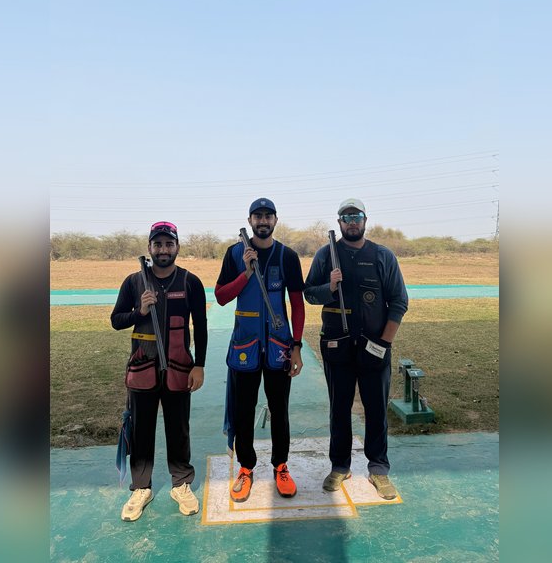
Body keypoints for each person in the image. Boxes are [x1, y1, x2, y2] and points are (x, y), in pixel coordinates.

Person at [304, 198, 408, 500]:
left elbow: (399, 302)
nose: (352, 222)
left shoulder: (382, 256)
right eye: (346, 217)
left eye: (357, 216)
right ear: (339, 223)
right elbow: (309, 293)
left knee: (376, 410)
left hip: (375, 347)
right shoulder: (326, 255)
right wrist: (329, 287)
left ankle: (378, 468)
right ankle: (340, 465)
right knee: (339, 409)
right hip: (337, 348)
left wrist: (383, 343)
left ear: (365, 220)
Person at [110, 221, 208, 521]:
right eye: (158, 244)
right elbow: (116, 320)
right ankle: (141, 487)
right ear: (150, 248)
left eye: (169, 244)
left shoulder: (190, 282)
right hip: (143, 368)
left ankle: (181, 483)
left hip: (179, 368)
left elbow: (201, 326)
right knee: (141, 430)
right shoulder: (134, 282)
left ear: (177, 247)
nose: (163, 249)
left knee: (179, 429)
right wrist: (139, 311)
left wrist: (199, 365)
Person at [215, 198, 306, 502]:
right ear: (250, 220)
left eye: (268, 216)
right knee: (243, 410)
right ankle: (246, 467)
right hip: (246, 347)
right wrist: (245, 273)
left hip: (279, 347)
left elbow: (297, 305)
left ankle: (281, 465)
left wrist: (296, 346)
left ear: (276, 220)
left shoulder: (288, 256)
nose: (263, 221)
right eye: (258, 216)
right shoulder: (234, 253)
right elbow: (221, 297)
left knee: (279, 410)